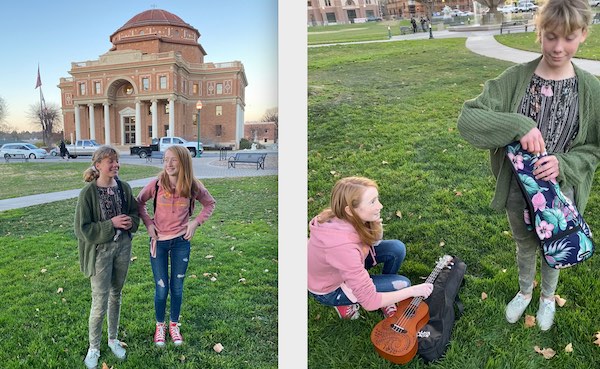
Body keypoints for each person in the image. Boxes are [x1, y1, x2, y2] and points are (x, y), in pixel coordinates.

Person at [457, 0, 600, 331]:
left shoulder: (591, 90)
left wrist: (564, 163)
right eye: (550, 37)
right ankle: (524, 291)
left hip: (561, 194)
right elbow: (469, 119)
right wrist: (518, 125)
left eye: (568, 38)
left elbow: (595, 147)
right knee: (525, 245)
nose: (558, 48)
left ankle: (547, 297)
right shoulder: (515, 79)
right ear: (539, 33)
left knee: (555, 247)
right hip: (518, 193)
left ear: (583, 35)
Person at [307, 176, 434, 320]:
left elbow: (374, 241)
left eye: (377, 199)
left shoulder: (345, 216)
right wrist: (414, 291)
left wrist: (375, 223)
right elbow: (369, 302)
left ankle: (385, 294)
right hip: (330, 289)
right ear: (350, 210)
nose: (380, 206)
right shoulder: (342, 247)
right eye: (372, 202)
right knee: (404, 284)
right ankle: (343, 301)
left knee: (396, 249)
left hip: (343, 266)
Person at [137, 145, 216, 347]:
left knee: (177, 288)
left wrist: (195, 223)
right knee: (162, 289)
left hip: (181, 242)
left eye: (173, 160)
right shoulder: (156, 184)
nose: (168, 164)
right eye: (165, 159)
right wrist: (148, 224)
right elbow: (139, 202)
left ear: (183, 162)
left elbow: (209, 204)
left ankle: (174, 324)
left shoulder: (192, 186)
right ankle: (160, 326)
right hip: (159, 243)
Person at [75, 146, 139, 369]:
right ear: (98, 165)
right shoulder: (88, 193)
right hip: (100, 252)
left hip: (123, 248)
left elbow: (134, 212)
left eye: (116, 160)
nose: (115, 164)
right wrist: (110, 224)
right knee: (99, 300)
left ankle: (113, 340)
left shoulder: (124, 187)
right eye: (109, 161)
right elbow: (82, 229)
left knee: (116, 295)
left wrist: (131, 222)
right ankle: (94, 347)